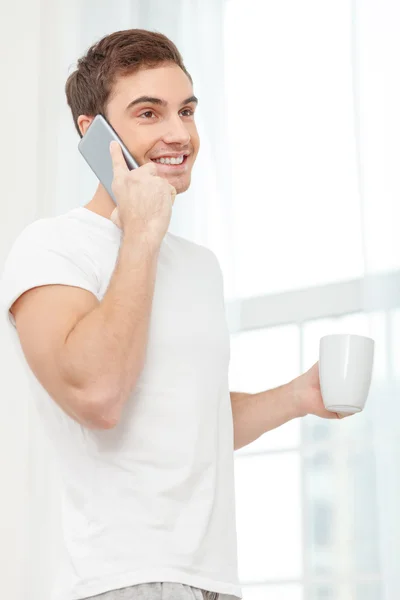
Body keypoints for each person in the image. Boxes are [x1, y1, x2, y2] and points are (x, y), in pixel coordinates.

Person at [0, 29, 348, 600]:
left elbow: (191, 426)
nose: (178, 133)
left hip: (215, 583)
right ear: (94, 135)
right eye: (148, 113)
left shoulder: (199, 266)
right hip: (121, 581)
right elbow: (98, 396)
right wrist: (140, 233)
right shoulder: (50, 249)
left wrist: (297, 397)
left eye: (186, 110)